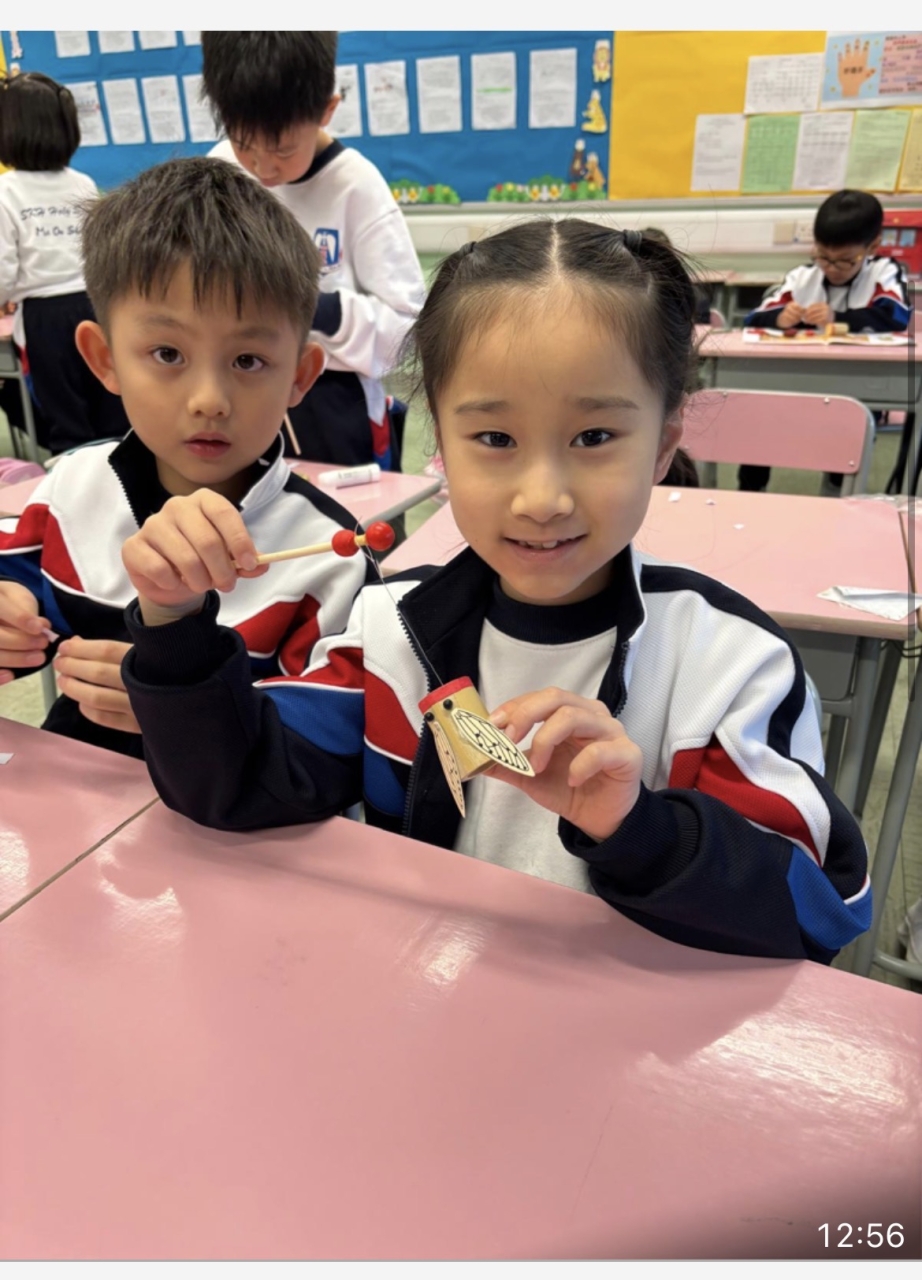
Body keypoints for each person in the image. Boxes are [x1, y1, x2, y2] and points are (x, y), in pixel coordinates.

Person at [119, 220, 870, 963]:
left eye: (595, 438)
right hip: (426, 1006)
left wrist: (640, 829)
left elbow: (818, 915)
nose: (542, 499)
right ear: (441, 449)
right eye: (496, 440)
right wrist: (173, 621)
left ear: (663, 444)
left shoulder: (729, 666)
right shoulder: (389, 634)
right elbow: (233, 788)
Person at [0, 157, 371, 757]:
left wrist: (184, 709)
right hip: (77, 797)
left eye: (248, 360)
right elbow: (17, 585)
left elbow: (329, 750)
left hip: (231, 813)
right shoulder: (71, 488)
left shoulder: (331, 554)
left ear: (299, 377)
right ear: (104, 359)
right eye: (168, 353)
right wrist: (10, 621)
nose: (209, 400)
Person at [201, 31, 425, 471]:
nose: (263, 167)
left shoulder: (357, 188)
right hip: (243, 389)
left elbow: (408, 331)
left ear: (326, 110)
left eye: (283, 148)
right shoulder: (221, 171)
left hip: (336, 403)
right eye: (243, 143)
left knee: (347, 513)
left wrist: (320, 310)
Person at [741, 189, 912, 492]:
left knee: (847, 434)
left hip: (858, 388)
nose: (831, 268)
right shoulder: (802, 278)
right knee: (758, 416)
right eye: (823, 257)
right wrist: (779, 318)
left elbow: (896, 316)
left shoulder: (884, 273)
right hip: (796, 385)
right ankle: (750, 491)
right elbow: (754, 319)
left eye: (845, 261)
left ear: (872, 247)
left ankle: (836, 491)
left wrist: (839, 319)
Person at [0, 71, 130, 454]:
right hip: (96, 306)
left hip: (45, 320)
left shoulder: (6, 191)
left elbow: (3, 268)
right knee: (112, 405)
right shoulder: (82, 183)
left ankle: (76, 478)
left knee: (67, 419)